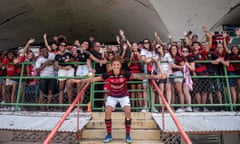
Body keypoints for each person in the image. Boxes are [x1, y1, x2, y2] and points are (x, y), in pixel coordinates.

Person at [70, 56, 165, 143]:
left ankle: (127, 134)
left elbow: (141, 76)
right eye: (114, 65)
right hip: (112, 96)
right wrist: (79, 80)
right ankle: (109, 134)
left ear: (120, 66)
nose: (116, 66)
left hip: (124, 96)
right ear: (111, 66)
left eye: (117, 65)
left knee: (128, 112)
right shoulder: (108, 74)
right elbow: (94, 79)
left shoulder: (125, 73)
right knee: (107, 112)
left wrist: (155, 76)